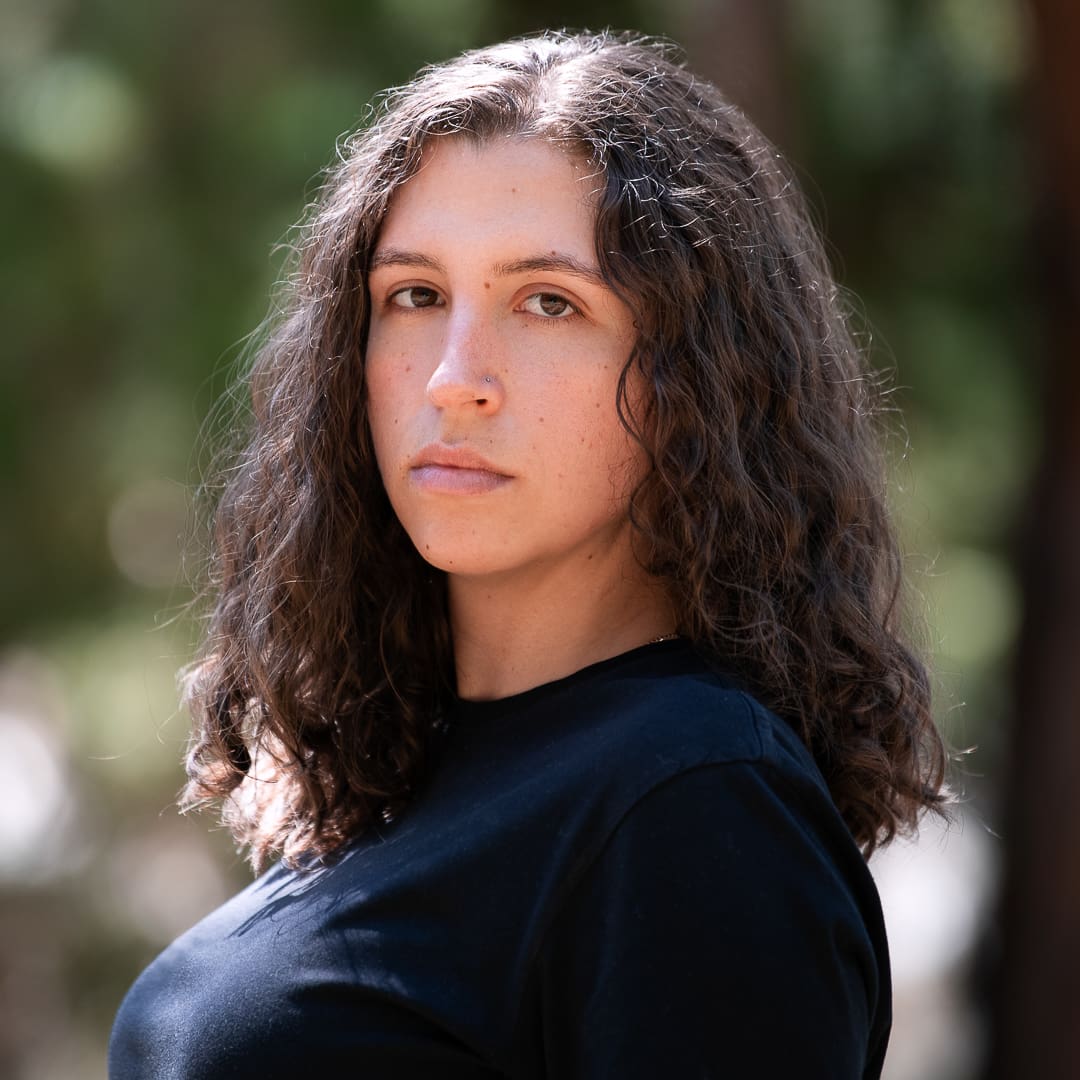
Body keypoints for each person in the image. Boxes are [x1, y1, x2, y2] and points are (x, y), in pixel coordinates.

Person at [109, 29, 948, 1079]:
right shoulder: (402, 775)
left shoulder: (694, 800)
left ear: (699, 381)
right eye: (413, 295)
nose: (454, 378)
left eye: (549, 303)